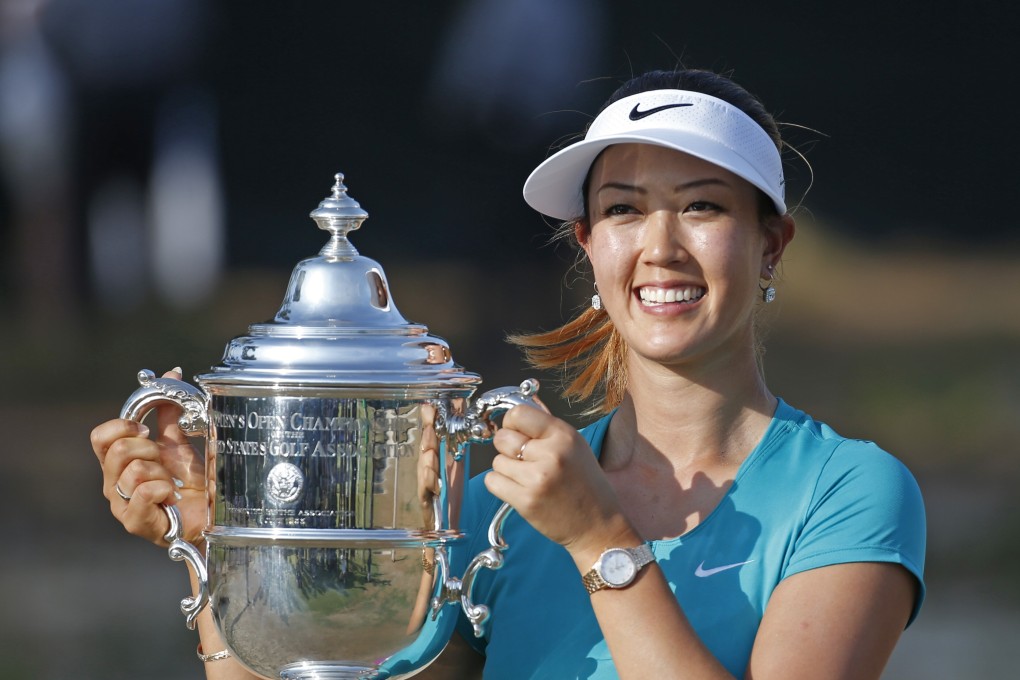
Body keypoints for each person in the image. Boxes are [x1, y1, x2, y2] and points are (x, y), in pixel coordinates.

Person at [91, 67, 926, 679]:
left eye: (702, 206)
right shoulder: (499, 508)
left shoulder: (849, 490)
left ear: (770, 243)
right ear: (588, 247)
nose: (660, 247)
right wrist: (224, 557)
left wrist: (601, 543)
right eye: (624, 210)